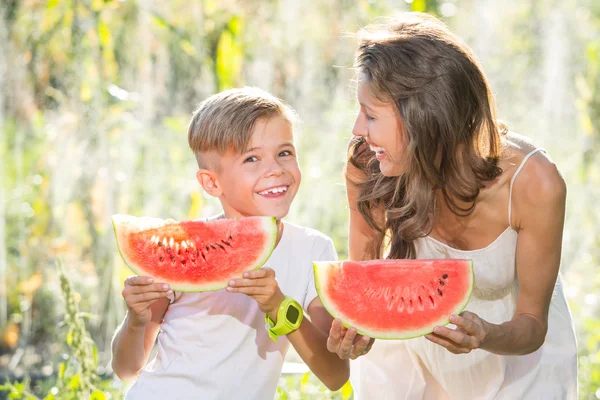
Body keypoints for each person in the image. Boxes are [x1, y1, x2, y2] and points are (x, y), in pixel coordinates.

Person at [326, 12, 578, 400]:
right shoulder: (368, 164)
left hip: (514, 360)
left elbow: (532, 323)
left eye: (371, 115)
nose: (358, 129)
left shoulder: (533, 183)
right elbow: (365, 281)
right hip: (410, 360)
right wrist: (355, 332)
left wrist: (487, 334)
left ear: (424, 119)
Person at [110, 87, 350, 399]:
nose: (275, 169)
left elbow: (335, 375)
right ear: (211, 182)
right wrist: (136, 319)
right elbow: (126, 369)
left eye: (285, 152)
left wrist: (280, 307)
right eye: (252, 158)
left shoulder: (314, 250)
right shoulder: (182, 249)